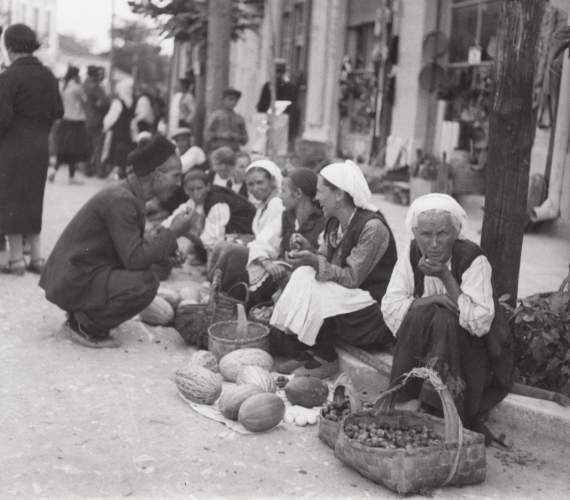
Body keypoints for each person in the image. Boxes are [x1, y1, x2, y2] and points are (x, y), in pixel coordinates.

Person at [39, 135, 194, 348]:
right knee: (145, 284)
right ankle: (84, 326)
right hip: (73, 280)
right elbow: (134, 259)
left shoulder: (127, 194)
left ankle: (85, 314)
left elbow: (132, 247)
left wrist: (166, 251)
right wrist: (173, 234)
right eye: (176, 176)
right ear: (157, 175)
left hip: (78, 276)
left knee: (151, 270)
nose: (179, 184)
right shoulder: (121, 199)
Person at [381, 193, 513, 431]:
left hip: (470, 353)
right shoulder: (412, 254)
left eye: (442, 234)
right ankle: (407, 400)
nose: (433, 243)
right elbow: (391, 306)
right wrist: (436, 298)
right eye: (425, 234)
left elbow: (480, 323)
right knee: (423, 311)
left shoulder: (473, 259)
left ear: (456, 231)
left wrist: (444, 276)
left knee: (441, 317)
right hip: (427, 350)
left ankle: (440, 407)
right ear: (415, 234)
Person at [270, 160, 397, 378]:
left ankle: (326, 357)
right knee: (303, 276)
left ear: (339, 194)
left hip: (373, 307)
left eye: (320, 192)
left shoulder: (372, 227)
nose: (317, 198)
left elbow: (352, 278)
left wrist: (313, 261)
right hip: (348, 296)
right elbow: (325, 259)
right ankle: (311, 349)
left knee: (316, 286)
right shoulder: (335, 222)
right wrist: (308, 251)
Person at [0, 23, 63, 275]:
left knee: (11, 197)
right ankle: (37, 256)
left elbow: (2, 118)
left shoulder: (8, 78)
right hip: (40, 144)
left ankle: (16, 259)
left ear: (9, 47)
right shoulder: (49, 76)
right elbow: (58, 111)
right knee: (33, 197)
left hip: (12, 144)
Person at [208, 159, 284, 301]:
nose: (255, 188)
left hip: (271, 258)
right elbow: (259, 236)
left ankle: (216, 288)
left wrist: (249, 247)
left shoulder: (276, 204)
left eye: (260, 182)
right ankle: (215, 286)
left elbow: (270, 241)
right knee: (222, 245)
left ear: (272, 181)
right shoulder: (262, 206)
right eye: (250, 184)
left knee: (232, 251)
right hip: (261, 251)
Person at [250, 167, 325, 305]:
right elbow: (261, 243)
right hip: (284, 276)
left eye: (283, 191)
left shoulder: (322, 222)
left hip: (309, 285)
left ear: (298, 193)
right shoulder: (286, 216)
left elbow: (324, 263)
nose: (279, 196)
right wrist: (267, 263)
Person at [163, 169, 256, 263]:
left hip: (248, 237)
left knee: (196, 225)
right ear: (185, 190)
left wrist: (185, 233)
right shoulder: (193, 202)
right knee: (190, 218)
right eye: (191, 190)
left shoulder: (217, 204)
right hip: (230, 238)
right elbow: (170, 221)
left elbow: (213, 244)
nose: (195, 193)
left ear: (207, 187)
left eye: (199, 188)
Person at [49, 65, 89, 184]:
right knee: (74, 150)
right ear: (76, 75)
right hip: (77, 122)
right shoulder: (77, 88)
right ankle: (71, 176)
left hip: (65, 121)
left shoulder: (65, 87)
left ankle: (55, 171)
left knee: (65, 149)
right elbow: (85, 101)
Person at [256, 59, 300, 145]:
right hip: (270, 123)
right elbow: (261, 107)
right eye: (277, 71)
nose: (278, 75)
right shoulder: (268, 87)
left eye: (280, 71)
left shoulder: (290, 88)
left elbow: (294, 109)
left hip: (284, 124)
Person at [102, 79, 135, 179]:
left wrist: (105, 127)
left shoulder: (118, 103)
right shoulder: (130, 103)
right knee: (123, 153)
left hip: (116, 132)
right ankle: (120, 173)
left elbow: (110, 118)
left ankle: (114, 173)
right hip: (127, 133)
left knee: (114, 152)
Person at [83, 65, 109, 178]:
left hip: (86, 118)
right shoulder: (97, 87)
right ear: (96, 75)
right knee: (98, 146)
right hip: (97, 119)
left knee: (87, 145)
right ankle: (99, 171)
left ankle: (87, 169)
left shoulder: (84, 85)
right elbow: (104, 102)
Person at [204, 87, 248, 153]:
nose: (233, 102)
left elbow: (245, 139)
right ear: (223, 100)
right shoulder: (216, 116)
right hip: (218, 150)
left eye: (235, 100)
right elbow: (207, 135)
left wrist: (236, 136)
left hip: (234, 151)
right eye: (230, 99)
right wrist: (221, 135)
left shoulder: (239, 118)